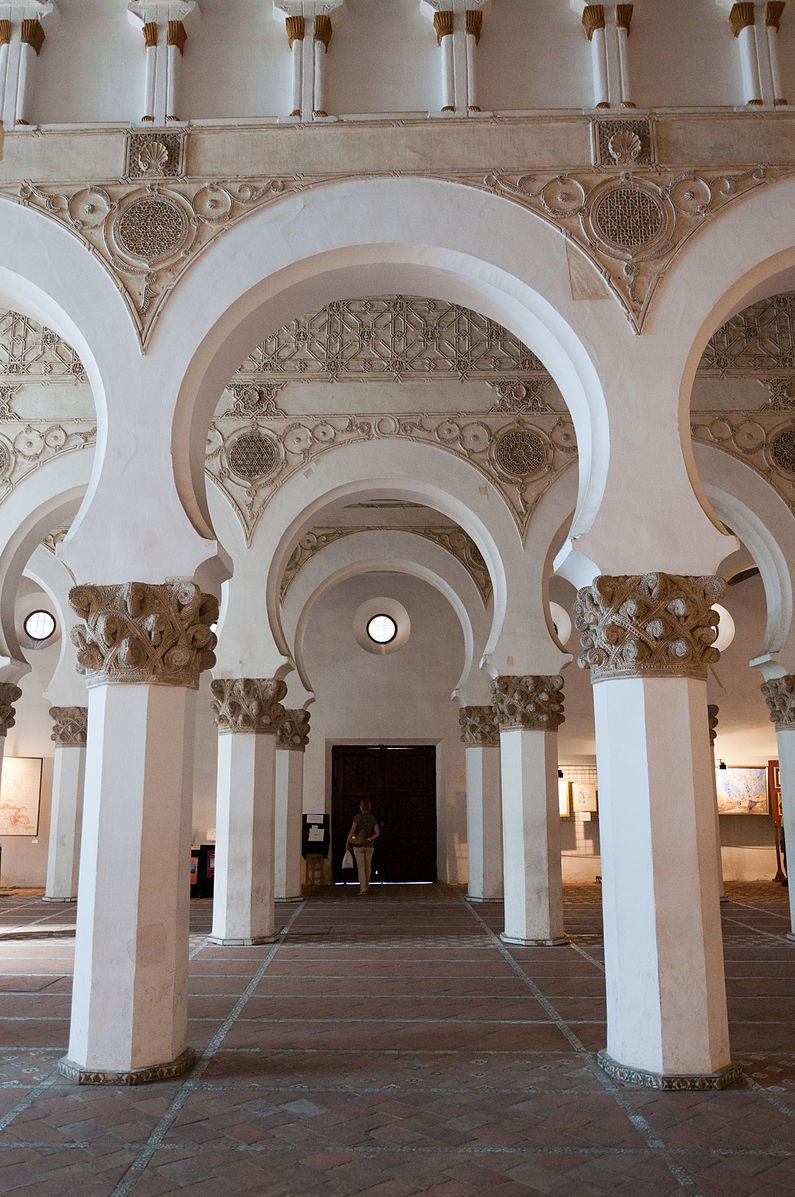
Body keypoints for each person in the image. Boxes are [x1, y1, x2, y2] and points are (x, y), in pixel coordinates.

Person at [347, 799, 379, 895]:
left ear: (361, 807)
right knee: (368, 867)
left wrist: (347, 842)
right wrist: (370, 839)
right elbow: (377, 833)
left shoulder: (357, 817)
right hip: (369, 846)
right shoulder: (373, 818)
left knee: (361, 867)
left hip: (358, 845)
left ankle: (363, 888)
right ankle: (367, 886)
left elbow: (352, 831)